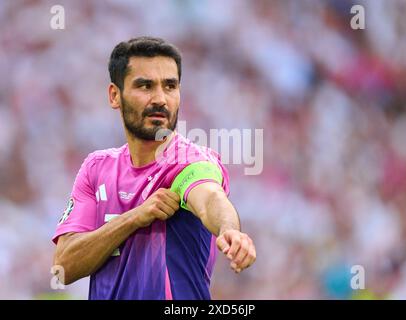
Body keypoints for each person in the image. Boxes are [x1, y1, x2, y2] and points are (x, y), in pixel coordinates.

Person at [52, 36, 256, 300]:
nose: (160, 99)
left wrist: (230, 231)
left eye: (170, 86)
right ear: (115, 95)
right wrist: (136, 217)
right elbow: (63, 268)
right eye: (145, 86)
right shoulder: (96, 168)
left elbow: (210, 199)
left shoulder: (188, 161)